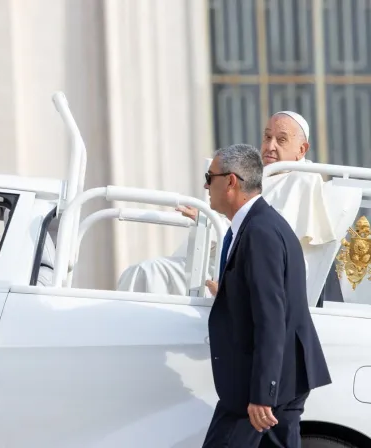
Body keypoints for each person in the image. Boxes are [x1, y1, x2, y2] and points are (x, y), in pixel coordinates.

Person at [117, 111, 340, 302]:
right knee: (143, 271)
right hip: (216, 259)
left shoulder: (302, 180)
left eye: (281, 140)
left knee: (148, 273)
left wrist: (209, 224)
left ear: (302, 149)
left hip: (241, 272)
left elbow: (267, 240)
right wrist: (205, 221)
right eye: (267, 137)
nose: (270, 146)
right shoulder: (259, 174)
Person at [202, 143, 331, 447]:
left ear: (231, 181)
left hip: (265, 389)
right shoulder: (260, 223)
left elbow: (272, 318)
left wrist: (263, 394)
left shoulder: (259, 231)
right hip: (275, 382)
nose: (206, 186)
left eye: (210, 177)